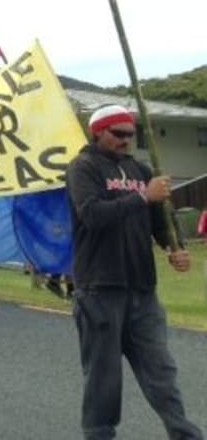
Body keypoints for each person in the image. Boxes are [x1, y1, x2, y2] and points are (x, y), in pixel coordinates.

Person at [66, 105, 201, 440]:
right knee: (103, 375)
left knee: (162, 372)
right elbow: (93, 215)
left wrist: (174, 248)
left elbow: (158, 221)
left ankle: (185, 434)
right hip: (98, 287)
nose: (127, 140)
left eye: (131, 134)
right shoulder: (82, 167)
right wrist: (143, 195)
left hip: (142, 288)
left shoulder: (141, 170)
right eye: (119, 133)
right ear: (98, 131)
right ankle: (99, 435)